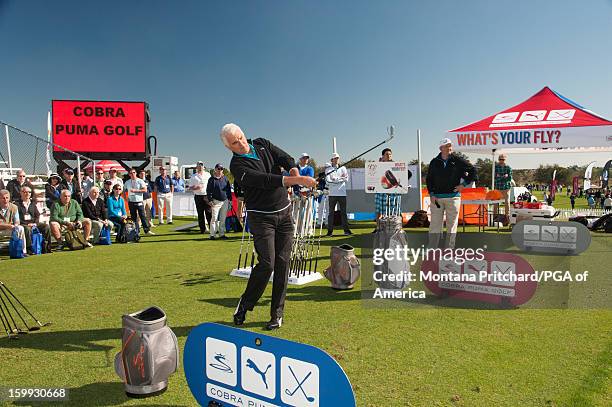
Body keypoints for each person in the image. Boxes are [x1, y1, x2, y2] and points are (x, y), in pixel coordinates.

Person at [221, 123, 316, 330]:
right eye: (235, 143)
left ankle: (277, 314)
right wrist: (297, 179)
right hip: (261, 218)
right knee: (267, 263)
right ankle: (245, 305)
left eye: (241, 137)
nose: (241, 143)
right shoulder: (236, 166)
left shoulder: (261, 143)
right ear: (229, 146)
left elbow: (285, 158)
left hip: (284, 214)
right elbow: (265, 180)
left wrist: (293, 169)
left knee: (283, 263)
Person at [426, 138, 477, 249]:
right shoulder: (434, 162)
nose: (449, 147)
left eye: (450, 145)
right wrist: (432, 194)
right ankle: (432, 250)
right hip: (437, 199)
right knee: (435, 226)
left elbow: (473, 171)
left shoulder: (458, 160)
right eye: (446, 145)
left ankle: (449, 250)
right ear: (441, 148)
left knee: (451, 226)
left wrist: (463, 185)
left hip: (453, 198)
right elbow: (429, 179)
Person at [16, 186, 53, 254]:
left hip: (33, 223)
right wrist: (27, 224)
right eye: (25, 192)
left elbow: (37, 215)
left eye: (29, 192)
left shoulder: (32, 203)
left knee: (46, 226)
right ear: (21, 193)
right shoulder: (17, 204)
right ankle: (30, 249)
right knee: (27, 229)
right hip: (23, 224)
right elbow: (17, 218)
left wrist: (35, 223)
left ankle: (47, 248)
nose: (27, 194)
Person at [325, 153, 352, 236]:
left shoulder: (343, 168)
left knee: (343, 213)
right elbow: (328, 181)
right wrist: (340, 179)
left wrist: (335, 180)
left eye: (338, 158)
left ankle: (346, 231)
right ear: (332, 160)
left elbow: (346, 179)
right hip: (332, 194)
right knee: (331, 213)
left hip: (342, 194)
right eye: (335, 158)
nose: (337, 159)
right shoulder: (328, 170)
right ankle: (330, 231)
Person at [374, 148, 400, 232]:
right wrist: (379, 164)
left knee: (393, 210)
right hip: (380, 191)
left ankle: (393, 227)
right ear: (382, 156)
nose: (389, 156)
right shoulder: (377, 165)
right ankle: (378, 227)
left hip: (392, 193)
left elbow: (406, 174)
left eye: (390, 154)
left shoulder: (396, 165)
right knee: (378, 210)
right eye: (386, 154)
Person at [124, 168, 154, 235]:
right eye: (131, 173)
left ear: (136, 173)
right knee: (133, 218)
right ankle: (136, 231)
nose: (133, 174)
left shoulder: (140, 181)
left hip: (139, 201)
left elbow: (145, 190)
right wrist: (125, 197)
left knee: (142, 216)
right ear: (129, 174)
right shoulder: (127, 182)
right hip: (131, 201)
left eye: (134, 172)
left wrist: (136, 191)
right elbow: (124, 190)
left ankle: (147, 231)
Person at [207, 163, 232, 240]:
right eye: (218, 169)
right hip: (215, 201)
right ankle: (212, 234)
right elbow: (208, 191)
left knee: (223, 219)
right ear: (215, 169)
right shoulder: (211, 179)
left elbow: (228, 190)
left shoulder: (225, 178)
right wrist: (210, 200)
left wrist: (230, 200)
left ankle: (222, 234)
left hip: (225, 201)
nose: (220, 170)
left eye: (221, 169)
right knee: (214, 218)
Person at [0, 189, 27, 256]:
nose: (5, 200)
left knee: (20, 228)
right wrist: (9, 226)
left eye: (7, 198)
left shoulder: (14, 207)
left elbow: (17, 221)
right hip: (2, 229)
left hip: (10, 229)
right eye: (3, 198)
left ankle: (22, 251)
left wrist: (15, 225)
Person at [188, 161, 212, 234]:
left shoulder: (208, 175)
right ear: (197, 167)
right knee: (200, 213)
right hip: (198, 196)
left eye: (201, 165)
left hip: (206, 196)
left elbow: (211, 184)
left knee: (209, 213)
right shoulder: (193, 176)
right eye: (199, 165)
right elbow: (190, 187)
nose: (200, 167)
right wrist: (196, 187)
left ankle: (212, 229)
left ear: (203, 167)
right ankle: (203, 230)